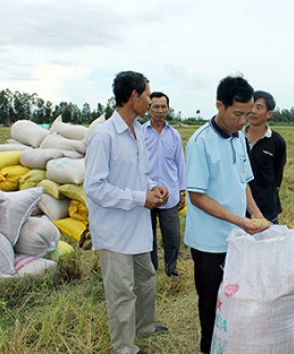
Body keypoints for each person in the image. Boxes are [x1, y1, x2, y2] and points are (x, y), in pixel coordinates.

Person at [84, 71, 169, 354]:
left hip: (137, 225)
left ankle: (144, 326)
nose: (149, 100)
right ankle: (123, 347)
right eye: (146, 95)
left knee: (146, 278)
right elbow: (95, 188)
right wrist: (139, 198)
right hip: (115, 231)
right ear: (133, 96)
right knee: (122, 292)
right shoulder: (104, 136)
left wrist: (153, 189)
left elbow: (139, 175)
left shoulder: (137, 133)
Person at [184, 75, 270, 353]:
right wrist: (240, 221)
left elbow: (242, 180)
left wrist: (256, 215)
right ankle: (209, 348)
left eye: (248, 114)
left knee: (234, 298)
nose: (243, 120)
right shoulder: (201, 142)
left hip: (236, 236)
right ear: (219, 105)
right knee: (211, 302)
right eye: (237, 114)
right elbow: (197, 197)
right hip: (209, 242)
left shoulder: (238, 139)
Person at [142, 91, 187, 284]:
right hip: (147, 193)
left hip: (171, 194)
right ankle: (151, 270)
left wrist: (182, 191)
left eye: (163, 107)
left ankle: (172, 270)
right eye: (155, 107)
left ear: (168, 109)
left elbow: (180, 164)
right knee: (147, 235)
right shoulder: (140, 133)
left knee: (172, 235)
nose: (160, 111)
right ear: (148, 109)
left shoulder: (174, 135)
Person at [245, 90, 286, 223]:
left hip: (266, 210)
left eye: (259, 107)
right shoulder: (236, 138)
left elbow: (277, 176)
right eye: (251, 106)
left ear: (269, 113)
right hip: (239, 209)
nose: (253, 111)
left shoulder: (277, 141)